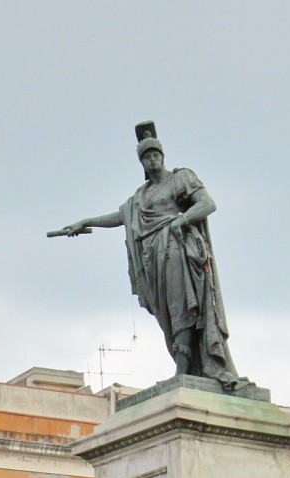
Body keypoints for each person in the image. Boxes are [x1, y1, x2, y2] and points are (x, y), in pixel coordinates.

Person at [57, 124, 247, 392]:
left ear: (163, 156)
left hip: (179, 251)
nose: (153, 159)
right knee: (168, 312)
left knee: (182, 305)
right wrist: (85, 221)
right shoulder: (139, 197)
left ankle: (184, 366)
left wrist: (182, 220)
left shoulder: (181, 178)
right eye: (147, 157)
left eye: (156, 154)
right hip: (153, 260)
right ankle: (184, 364)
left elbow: (207, 204)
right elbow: (119, 217)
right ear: (142, 163)